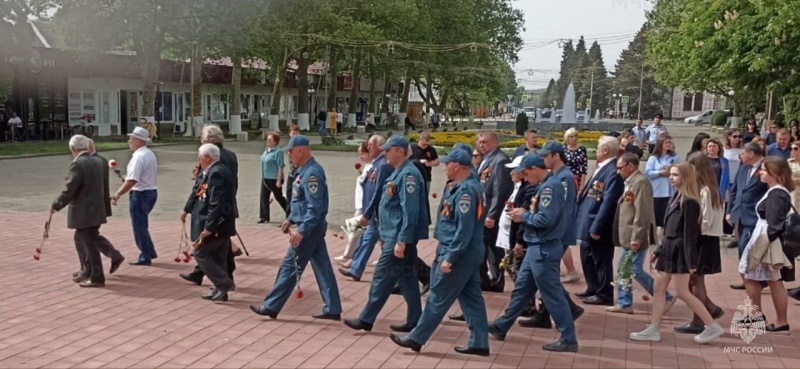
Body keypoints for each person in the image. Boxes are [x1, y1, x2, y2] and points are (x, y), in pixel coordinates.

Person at [390, 149, 489, 356]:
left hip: (459, 252)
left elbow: (464, 230)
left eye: (447, 164)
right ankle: (480, 342)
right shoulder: (463, 187)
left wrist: (450, 257)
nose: (444, 167)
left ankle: (417, 338)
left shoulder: (466, 192)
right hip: (465, 251)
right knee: (471, 297)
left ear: (457, 166)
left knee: (438, 295)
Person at [490, 153, 579, 352]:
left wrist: (524, 216)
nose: (524, 178)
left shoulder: (550, 187)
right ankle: (502, 325)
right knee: (522, 289)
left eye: (525, 174)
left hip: (544, 247)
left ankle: (568, 338)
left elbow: (545, 219)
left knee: (552, 294)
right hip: (536, 246)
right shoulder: (544, 185)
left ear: (534, 169)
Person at [629, 163, 724, 343]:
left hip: (680, 249)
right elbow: (669, 228)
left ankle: (711, 325)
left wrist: (692, 261)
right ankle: (654, 328)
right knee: (659, 288)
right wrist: (660, 249)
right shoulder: (677, 196)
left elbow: (690, 233)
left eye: (675, 175)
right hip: (669, 247)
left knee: (682, 292)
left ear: (685, 177)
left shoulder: (689, 201)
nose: (671, 178)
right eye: (671, 174)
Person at [250, 135, 342, 320]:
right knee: (323, 268)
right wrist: (290, 218)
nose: (289, 155)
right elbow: (300, 202)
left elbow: (314, 208)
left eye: (291, 152)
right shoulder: (303, 171)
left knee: (289, 266)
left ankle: (271, 306)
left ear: (301, 151)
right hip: (309, 226)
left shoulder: (312, 174)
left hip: (310, 228)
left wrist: (301, 231)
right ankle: (333, 307)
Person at [343, 135, 429, 333]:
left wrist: (402, 240)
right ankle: (415, 319)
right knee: (407, 278)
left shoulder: (408, 175)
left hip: (397, 236)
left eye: (389, 149)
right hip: (392, 234)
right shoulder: (398, 172)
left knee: (382, 276)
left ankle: (366, 318)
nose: (385, 152)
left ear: (400, 151)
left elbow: (410, 211)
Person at [609, 153, 675, 314]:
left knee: (633, 269)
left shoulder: (640, 182)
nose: (618, 171)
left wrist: (636, 236)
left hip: (636, 235)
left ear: (630, 166)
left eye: (620, 167)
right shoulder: (631, 181)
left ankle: (665, 296)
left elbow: (642, 212)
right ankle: (625, 303)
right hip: (629, 235)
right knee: (625, 268)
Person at [737, 157, 794, 332]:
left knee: (772, 279)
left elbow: (774, 223)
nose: (760, 172)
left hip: (767, 239)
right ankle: (758, 316)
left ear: (774, 172)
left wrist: (762, 246)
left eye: (763, 170)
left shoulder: (777, 193)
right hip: (763, 236)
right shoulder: (775, 191)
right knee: (753, 275)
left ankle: (780, 320)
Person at [180, 124, 240, 286]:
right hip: (224, 205)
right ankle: (203, 275)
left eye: (202, 140)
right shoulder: (230, 155)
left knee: (209, 247)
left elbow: (211, 186)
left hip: (214, 208)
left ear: (209, 141)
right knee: (219, 247)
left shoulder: (215, 160)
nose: (200, 143)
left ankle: (224, 280)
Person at [674, 154, 725, 334]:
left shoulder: (705, 191)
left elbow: (704, 219)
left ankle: (698, 320)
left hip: (703, 237)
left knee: (696, 280)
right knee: (695, 280)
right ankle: (709, 308)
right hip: (708, 237)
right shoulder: (710, 189)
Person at [51, 135, 108, 287]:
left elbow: (70, 189)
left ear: (73, 149)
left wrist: (56, 204)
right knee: (86, 240)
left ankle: (97, 277)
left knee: (89, 245)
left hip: (85, 210)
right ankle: (87, 271)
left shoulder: (78, 164)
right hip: (97, 208)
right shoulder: (98, 161)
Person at [575, 136, 625, 306]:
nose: (595, 151)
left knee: (601, 259)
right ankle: (593, 286)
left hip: (599, 225)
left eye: (597, 147)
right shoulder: (602, 167)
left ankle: (604, 293)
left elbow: (609, 202)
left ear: (605, 150)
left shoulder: (612, 171)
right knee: (586, 254)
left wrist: (597, 227)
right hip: (588, 221)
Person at [186, 144, 236, 301]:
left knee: (200, 252)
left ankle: (224, 283)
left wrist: (209, 227)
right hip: (222, 223)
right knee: (218, 257)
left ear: (207, 158)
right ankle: (219, 291)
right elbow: (199, 191)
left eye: (200, 156)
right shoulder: (213, 171)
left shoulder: (216, 173)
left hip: (218, 224)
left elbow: (216, 202)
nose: (198, 160)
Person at [339, 135, 393, 282]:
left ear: (379, 146)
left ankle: (422, 274)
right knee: (366, 239)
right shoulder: (376, 163)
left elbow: (378, 192)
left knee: (392, 247)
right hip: (373, 212)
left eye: (371, 145)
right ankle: (356, 269)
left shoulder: (383, 165)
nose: (368, 147)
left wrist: (367, 213)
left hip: (378, 212)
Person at [72, 139, 125, 281]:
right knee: (90, 236)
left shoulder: (88, 162)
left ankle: (88, 270)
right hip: (98, 206)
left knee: (84, 237)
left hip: (89, 208)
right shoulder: (101, 160)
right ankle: (112, 256)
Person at [111, 126, 158, 266]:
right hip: (150, 191)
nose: (129, 141)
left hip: (141, 194)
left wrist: (117, 194)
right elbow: (135, 177)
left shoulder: (138, 157)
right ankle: (149, 251)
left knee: (139, 226)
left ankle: (145, 256)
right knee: (142, 224)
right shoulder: (149, 154)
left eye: (131, 138)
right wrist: (127, 178)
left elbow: (133, 181)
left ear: (138, 140)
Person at [728, 143, 769, 290]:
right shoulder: (743, 167)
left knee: (750, 249)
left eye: (742, 153)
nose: (740, 156)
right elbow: (735, 190)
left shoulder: (766, 168)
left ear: (751, 154)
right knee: (742, 248)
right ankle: (748, 279)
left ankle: (756, 280)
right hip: (740, 215)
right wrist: (730, 211)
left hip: (756, 217)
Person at [476, 130, 513, 292]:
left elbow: (500, 190)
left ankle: (485, 280)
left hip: (489, 214)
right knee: (493, 248)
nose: (481, 145)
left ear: (495, 142)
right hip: (483, 211)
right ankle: (495, 281)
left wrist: (492, 215)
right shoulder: (487, 159)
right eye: (480, 142)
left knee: (484, 248)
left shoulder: (500, 160)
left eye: (485, 142)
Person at [334, 141, 372, 266]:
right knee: (361, 233)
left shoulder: (372, 167)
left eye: (362, 153)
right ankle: (352, 256)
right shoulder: (367, 166)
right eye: (359, 154)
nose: (360, 156)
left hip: (364, 205)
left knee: (355, 231)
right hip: (361, 203)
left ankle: (348, 256)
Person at [561, 128, 586, 283]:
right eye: (571, 136)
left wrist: (582, 186)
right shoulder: (563, 150)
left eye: (575, 136)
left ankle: (570, 270)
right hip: (564, 182)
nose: (574, 139)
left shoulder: (582, 150)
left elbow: (583, 169)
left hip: (575, 181)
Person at [646, 135, 681, 238]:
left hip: (670, 191)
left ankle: (665, 235)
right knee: (655, 215)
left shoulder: (675, 157)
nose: (669, 145)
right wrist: (660, 173)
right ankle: (652, 236)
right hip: (657, 191)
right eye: (666, 142)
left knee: (667, 215)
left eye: (670, 142)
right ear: (661, 144)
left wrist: (671, 172)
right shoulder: (653, 158)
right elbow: (648, 173)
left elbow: (681, 170)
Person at [410, 132, 440, 225]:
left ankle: (422, 219)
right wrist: (417, 162)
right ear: (419, 140)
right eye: (423, 144)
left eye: (427, 144)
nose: (425, 146)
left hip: (426, 177)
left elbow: (437, 161)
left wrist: (430, 163)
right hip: (413, 177)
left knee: (424, 198)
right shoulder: (412, 148)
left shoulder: (431, 150)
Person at [259, 132, 288, 223]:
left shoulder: (278, 152)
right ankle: (264, 217)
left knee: (279, 197)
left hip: (274, 178)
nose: (268, 141)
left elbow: (280, 166)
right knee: (264, 197)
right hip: (265, 178)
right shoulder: (266, 150)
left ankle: (291, 215)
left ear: (275, 142)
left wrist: (279, 180)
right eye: (267, 139)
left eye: (270, 140)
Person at [284, 124, 300, 217]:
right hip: (291, 174)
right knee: (289, 195)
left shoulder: (301, 146)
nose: (295, 136)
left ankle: (297, 216)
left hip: (299, 174)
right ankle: (288, 217)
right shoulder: (290, 145)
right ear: (290, 134)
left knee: (297, 195)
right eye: (293, 134)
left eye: (297, 134)